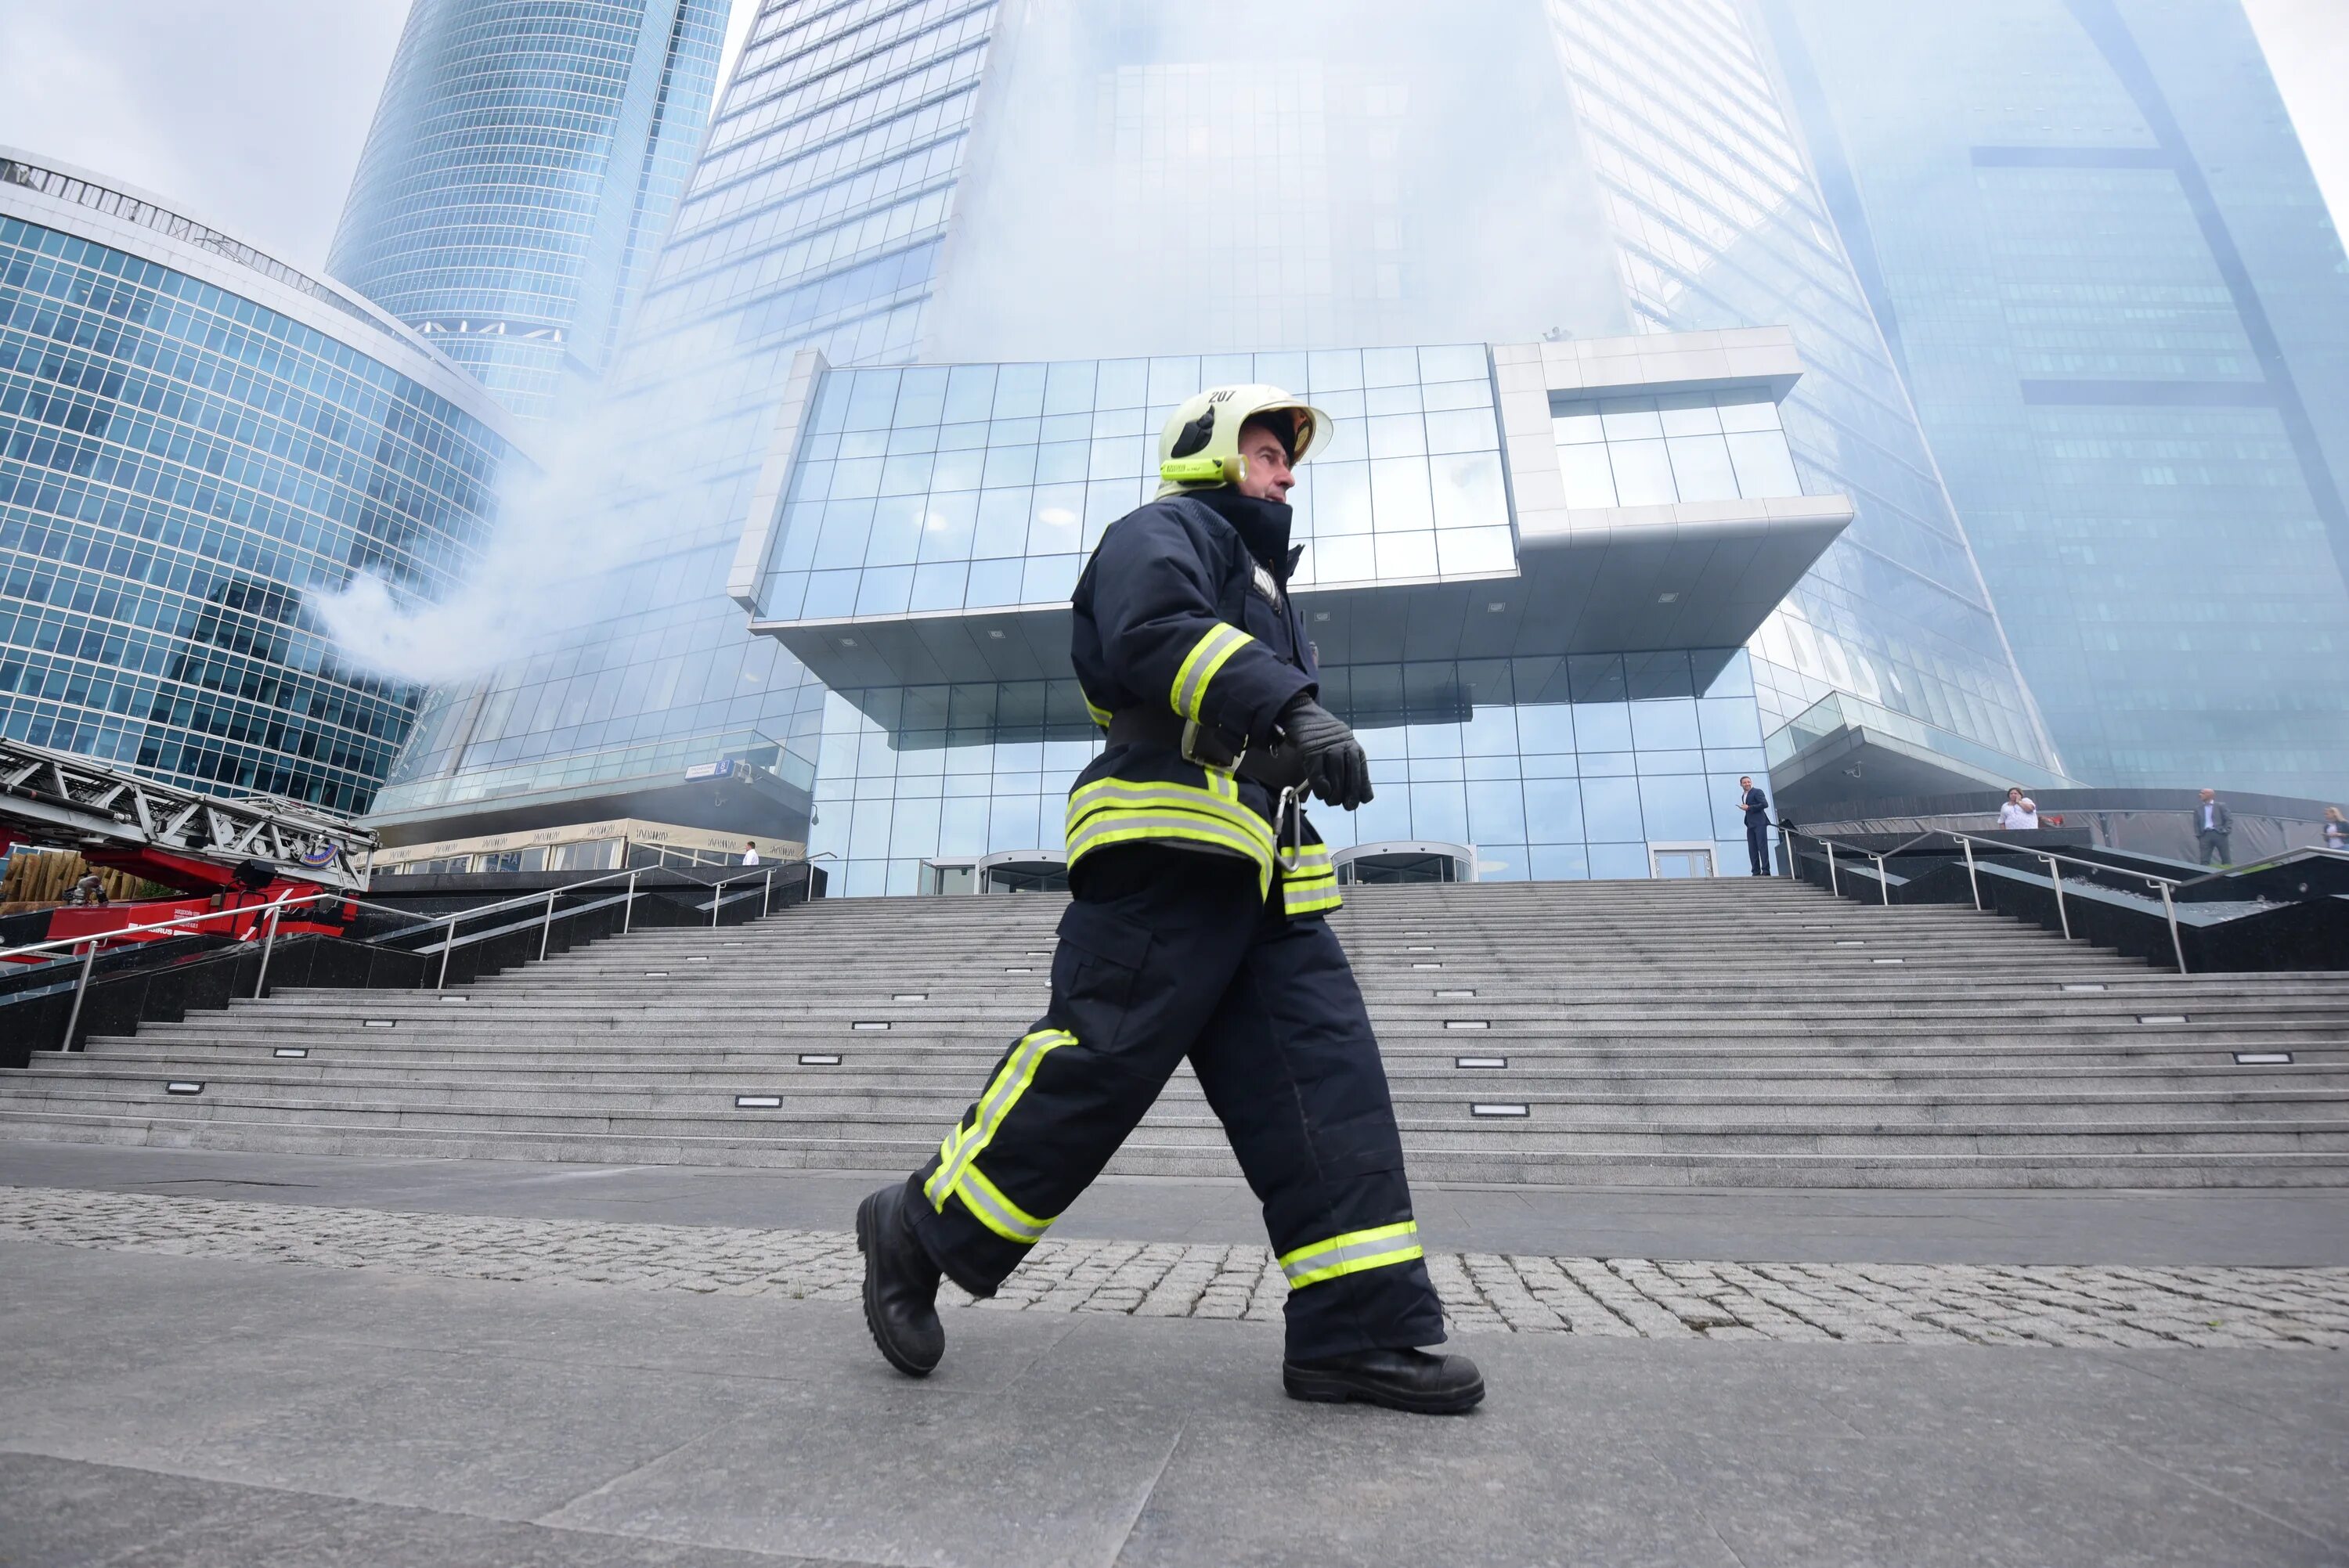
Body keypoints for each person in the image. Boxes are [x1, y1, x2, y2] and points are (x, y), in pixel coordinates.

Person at [855, 384, 1481, 1415]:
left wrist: (1289, 741)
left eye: (1290, 459)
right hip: (1167, 840)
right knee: (1100, 1058)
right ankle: (918, 1224)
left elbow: (1231, 690)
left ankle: (1357, 1331)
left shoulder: (1268, 587)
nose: (1286, 472)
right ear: (1208, 448)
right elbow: (1153, 631)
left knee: (1327, 1089)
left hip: (1267, 877)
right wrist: (1289, 704)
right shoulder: (1165, 528)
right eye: (1270, 451)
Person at [1737, 776, 1770, 875]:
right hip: (1750, 824)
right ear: (1741, 784)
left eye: (1748, 782)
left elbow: (1765, 804)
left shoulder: (1757, 791)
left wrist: (1749, 807)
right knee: (1752, 848)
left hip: (1760, 823)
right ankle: (1755, 871)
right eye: (1745, 783)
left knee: (1762, 847)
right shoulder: (1744, 795)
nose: (1747, 784)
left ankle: (1766, 870)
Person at [2194, 788, 2232, 866]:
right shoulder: (2198, 808)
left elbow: (2228, 819)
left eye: (2202, 793)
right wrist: (2199, 835)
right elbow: (2196, 823)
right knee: (2204, 859)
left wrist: (2226, 830)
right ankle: (2204, 875)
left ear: (2210, 795)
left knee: (2225, 857)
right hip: (2205, 835)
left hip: (2219, 833)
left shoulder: (2220, 806)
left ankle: (2228, 874)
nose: (2200, 795)